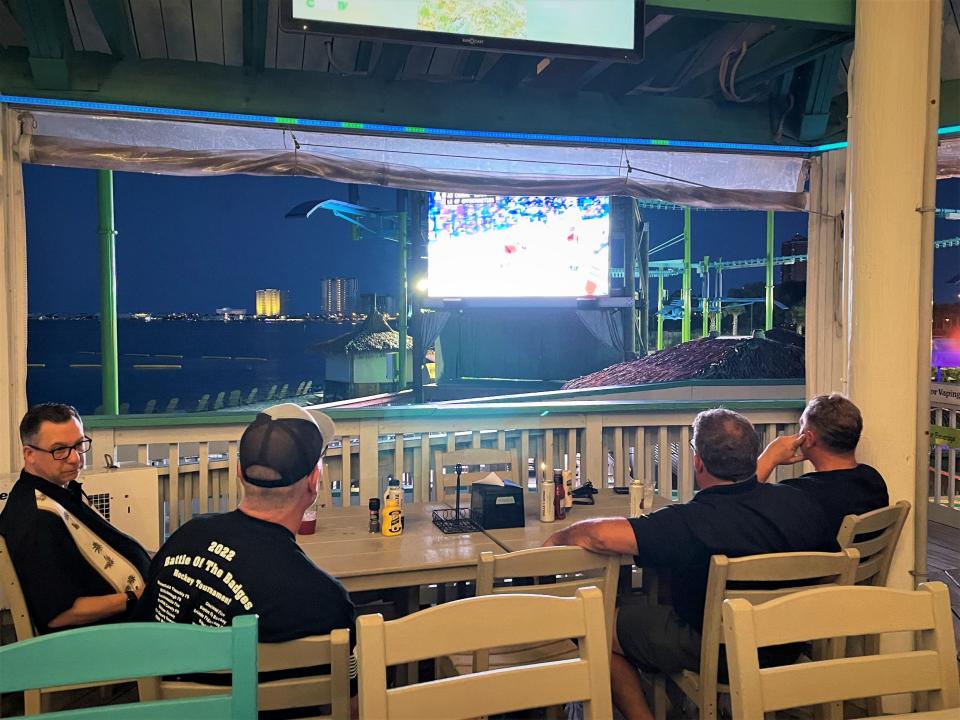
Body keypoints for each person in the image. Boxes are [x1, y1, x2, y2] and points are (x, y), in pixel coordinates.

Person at [543, 409, 836, 720]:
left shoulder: (691, 523)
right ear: (754, 457)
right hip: (787, 642)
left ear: (698, 462)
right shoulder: (801, 502)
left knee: (593, 623)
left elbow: (600, 536)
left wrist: (559, 538)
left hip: (718, 651)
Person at [134, 403, 356, 710]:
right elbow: (352, 704)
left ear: (239, 473)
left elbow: (145, 629)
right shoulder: (325, 598)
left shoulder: (185, 536)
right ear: (313, 482)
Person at [0, 403, 151, 633]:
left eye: (79, 445)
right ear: (29, 454)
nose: (75, 459)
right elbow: (59, 615)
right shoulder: (37, 520)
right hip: (104, 638)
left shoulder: (59, 491)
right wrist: (135, 597)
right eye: (59, 450)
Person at [756, 393, 889, 533]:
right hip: (858, 555)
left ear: (809, 438)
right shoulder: (873, 479)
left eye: (802, 425)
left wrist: (769, 457)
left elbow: (737, 506)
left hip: (812, 555)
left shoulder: (798, 494)